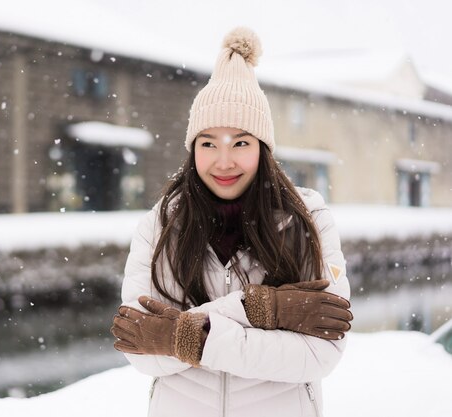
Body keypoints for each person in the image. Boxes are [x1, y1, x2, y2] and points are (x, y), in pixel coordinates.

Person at [110, 27, 354, 417]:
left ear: (263, 149)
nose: (224, 161)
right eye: (209, 143)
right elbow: (141, 347)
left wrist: (183, 337)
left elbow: (319, 353)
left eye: (240, 142)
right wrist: (261, 311)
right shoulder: (160, 227)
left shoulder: (306, 223)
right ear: (193, 150)